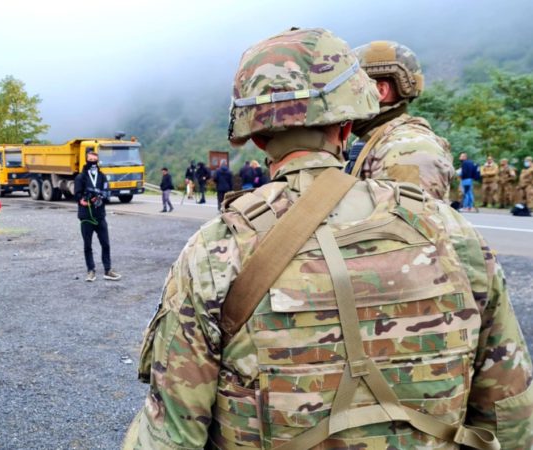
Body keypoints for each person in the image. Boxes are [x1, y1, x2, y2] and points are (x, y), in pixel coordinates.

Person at [124, 28, 533, 449]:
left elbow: (171, 435)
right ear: (347, 125)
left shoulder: (216, 249)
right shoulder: (452, 232)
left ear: (258, 137)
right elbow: (511, 415)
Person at [348, 40, 455, 201]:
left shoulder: (410, 147)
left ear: (379, 91)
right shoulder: (376, 139)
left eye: (351, 86)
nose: (342, 96)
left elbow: (407, 216)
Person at [75, 150, 120, 282]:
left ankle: (108, 270)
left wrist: (100, 198)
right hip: (86, 216)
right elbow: (77, 194)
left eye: (95, 160)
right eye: (90, 160)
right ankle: (91, 271)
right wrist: (82, 201)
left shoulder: (102, 176)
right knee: (87, 245)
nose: (93, 162)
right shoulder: (80, 177)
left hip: (100, 216)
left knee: (105, 244)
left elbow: (107, 192)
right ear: (86, 160)